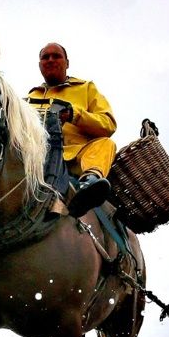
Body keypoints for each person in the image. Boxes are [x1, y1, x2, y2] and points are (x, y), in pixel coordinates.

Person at [28, 42, 117, 217]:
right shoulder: (30, 98)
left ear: (67, 63)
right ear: (40, 65)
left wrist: (73, 115)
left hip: (78, 157)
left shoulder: (86, 88)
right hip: (40, 160)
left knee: (106, 144)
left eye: (56, 56)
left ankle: (89, 182)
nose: (50, 60)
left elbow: (108, 124)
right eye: (45, 57)